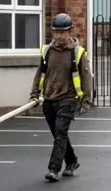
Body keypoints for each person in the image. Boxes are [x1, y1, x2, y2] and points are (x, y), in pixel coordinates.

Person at [29, 13, 93, 182]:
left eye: (62, 32)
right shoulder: (47, 51)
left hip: (68, 99)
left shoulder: (78, 53)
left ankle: (53, 169)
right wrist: (34, 94)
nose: (58, 36)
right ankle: (72, 161)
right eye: (56, 32)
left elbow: (86, 78)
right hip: (49, 99)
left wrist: (86, 100)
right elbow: (39, 74)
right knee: (59, 134)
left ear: (70, 31)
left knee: (60, 133)